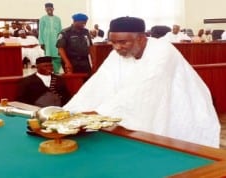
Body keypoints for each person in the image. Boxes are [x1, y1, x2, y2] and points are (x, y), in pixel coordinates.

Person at [63, 16, 220, 148]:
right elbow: (98, 84)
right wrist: (71, 111)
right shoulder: (117, 53)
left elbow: (143, 90)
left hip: (180, 109)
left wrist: (98, 114)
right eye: (113, 42)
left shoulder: (163, 51)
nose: (117, 47)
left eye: (123, 42)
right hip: (144, 107)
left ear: (141, 38)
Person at [39, 2, 62, 74]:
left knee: (57, 55)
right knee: (49, 55)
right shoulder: (43, 19)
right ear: (45, 10)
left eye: (50, 8)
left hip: (56, 40)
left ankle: (56, 70)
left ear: (53, 9)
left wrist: (61, 41)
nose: (49, 10)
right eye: (47, 9)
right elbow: (41, 30)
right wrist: (41, 42)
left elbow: (60, 30)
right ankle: (50, 70)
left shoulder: (58, 19)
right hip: (47, 40)